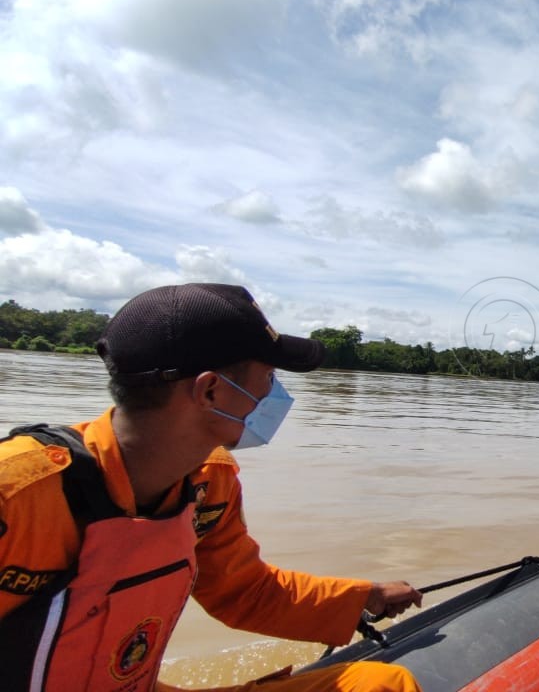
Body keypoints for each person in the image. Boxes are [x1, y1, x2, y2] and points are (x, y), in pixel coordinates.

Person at [0, 283, 423, 692]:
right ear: (211, 390)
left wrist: (364, 597)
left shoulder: (210, 482)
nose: (275, 393)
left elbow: (245, 592)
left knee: (379, 684)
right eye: (269, 377)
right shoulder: (15, 494)